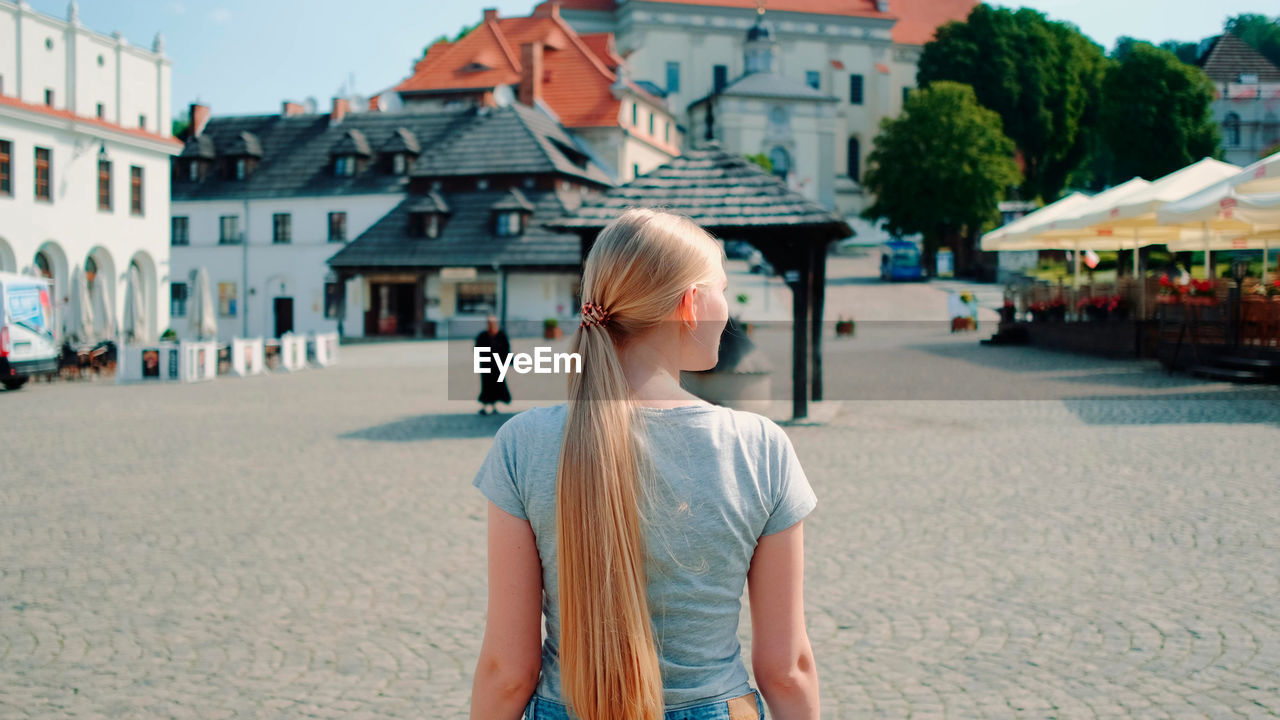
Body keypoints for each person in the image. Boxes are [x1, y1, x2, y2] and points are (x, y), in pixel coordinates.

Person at [469, 208, 820, 720]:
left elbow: (508, 670)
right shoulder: (759, 446)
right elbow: (788, 668)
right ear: (691, 304)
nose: (728, 310)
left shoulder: (522, 443)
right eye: (721, 288)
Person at [475, 314, 512, 415]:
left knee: (497, 386)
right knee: (486, 386)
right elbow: (477, 348)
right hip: (486, 365)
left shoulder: (501, 335)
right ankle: (484, 406)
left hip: (497, 365)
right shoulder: (483, 336)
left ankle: (494, 406)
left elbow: (506, 349)